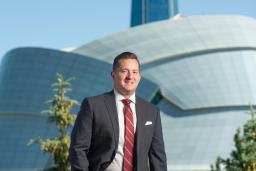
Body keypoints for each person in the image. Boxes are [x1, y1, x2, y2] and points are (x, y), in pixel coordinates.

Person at [70, 52, 167, 171]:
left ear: (139, 77)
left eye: (135, 72)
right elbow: (78, 148)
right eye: (124, 71)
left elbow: (158, 156)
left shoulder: (152, 111)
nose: (130, 76)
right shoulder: (93, 105)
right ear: (113, 75)